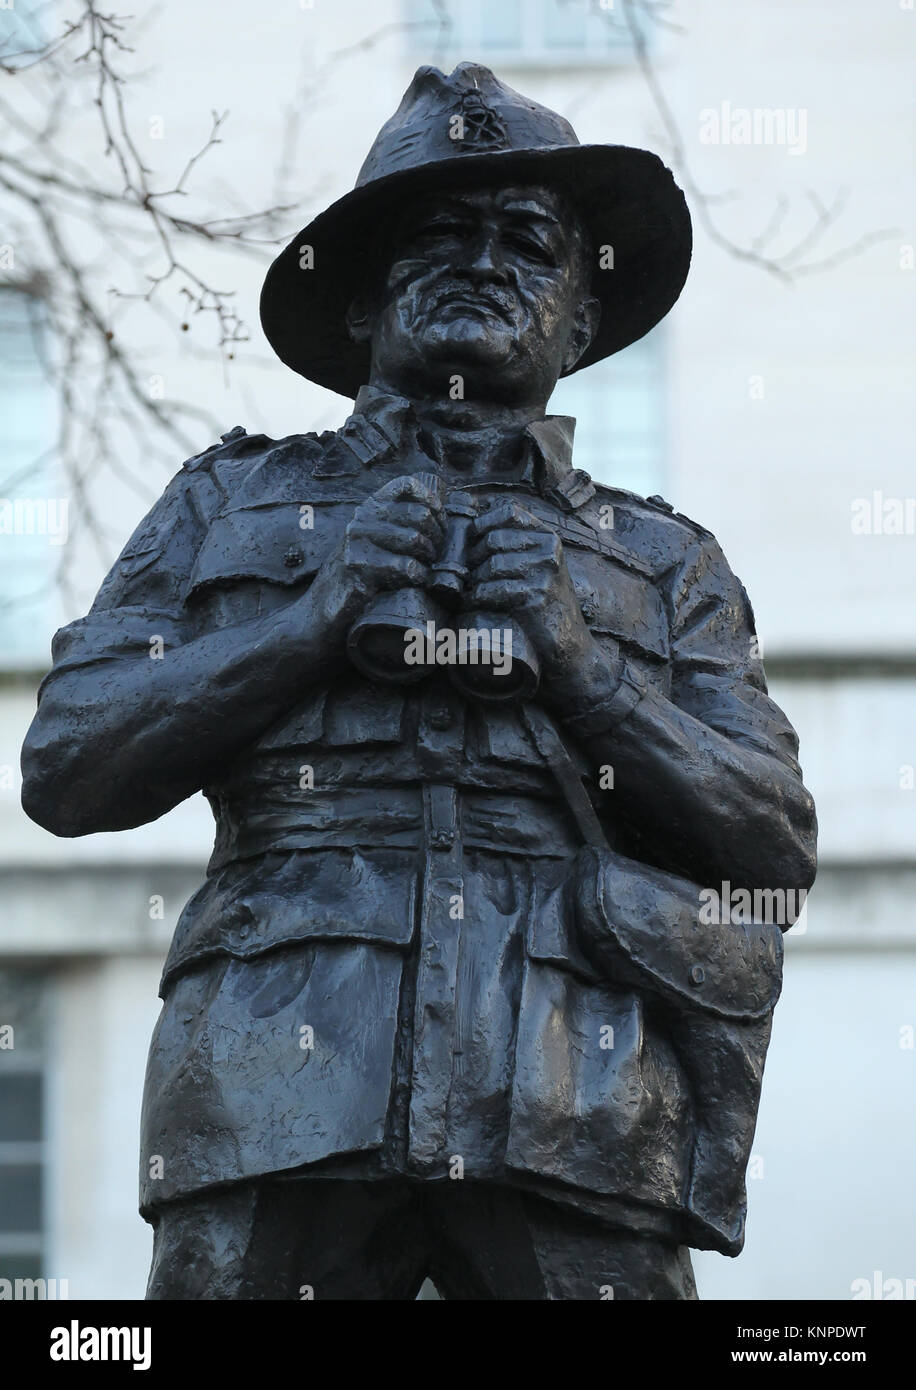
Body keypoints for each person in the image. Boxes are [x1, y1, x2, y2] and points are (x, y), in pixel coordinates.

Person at [21, 63, 817, 1300]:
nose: (481, 262)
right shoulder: (225, 501)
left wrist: (580, 668)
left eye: (527, 244)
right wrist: (310, 621)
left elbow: (770, 840)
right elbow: (68, 768)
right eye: (436, 237)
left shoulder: (665, 560)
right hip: (277, 1088)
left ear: (578, 323)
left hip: (576, 1096)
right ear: (359, 310)